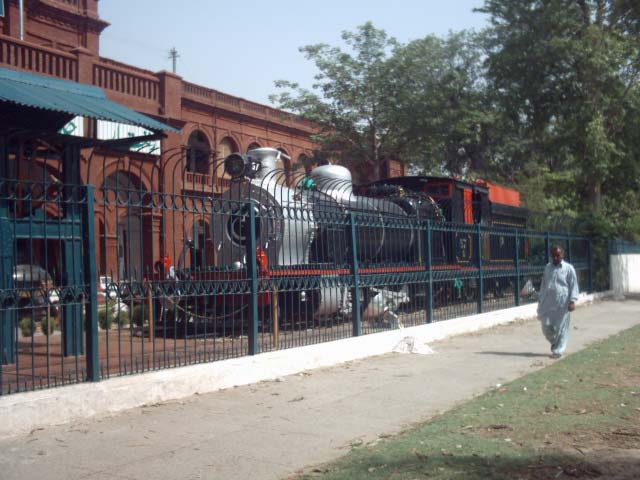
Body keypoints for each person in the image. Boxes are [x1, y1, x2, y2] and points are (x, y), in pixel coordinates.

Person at [537, 245, 579, 359]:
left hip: (563, 303)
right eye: (553, 255)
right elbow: (544, 283)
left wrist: (572, 301)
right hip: (548, 302)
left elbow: (573, 285)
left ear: (562, 255)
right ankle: (554, 342)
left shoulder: (568, 268)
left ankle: (558, 350)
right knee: (545, 325)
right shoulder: (547, 267)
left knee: (562, 327)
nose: (555, 258)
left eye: (558, 255)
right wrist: (540, 297)